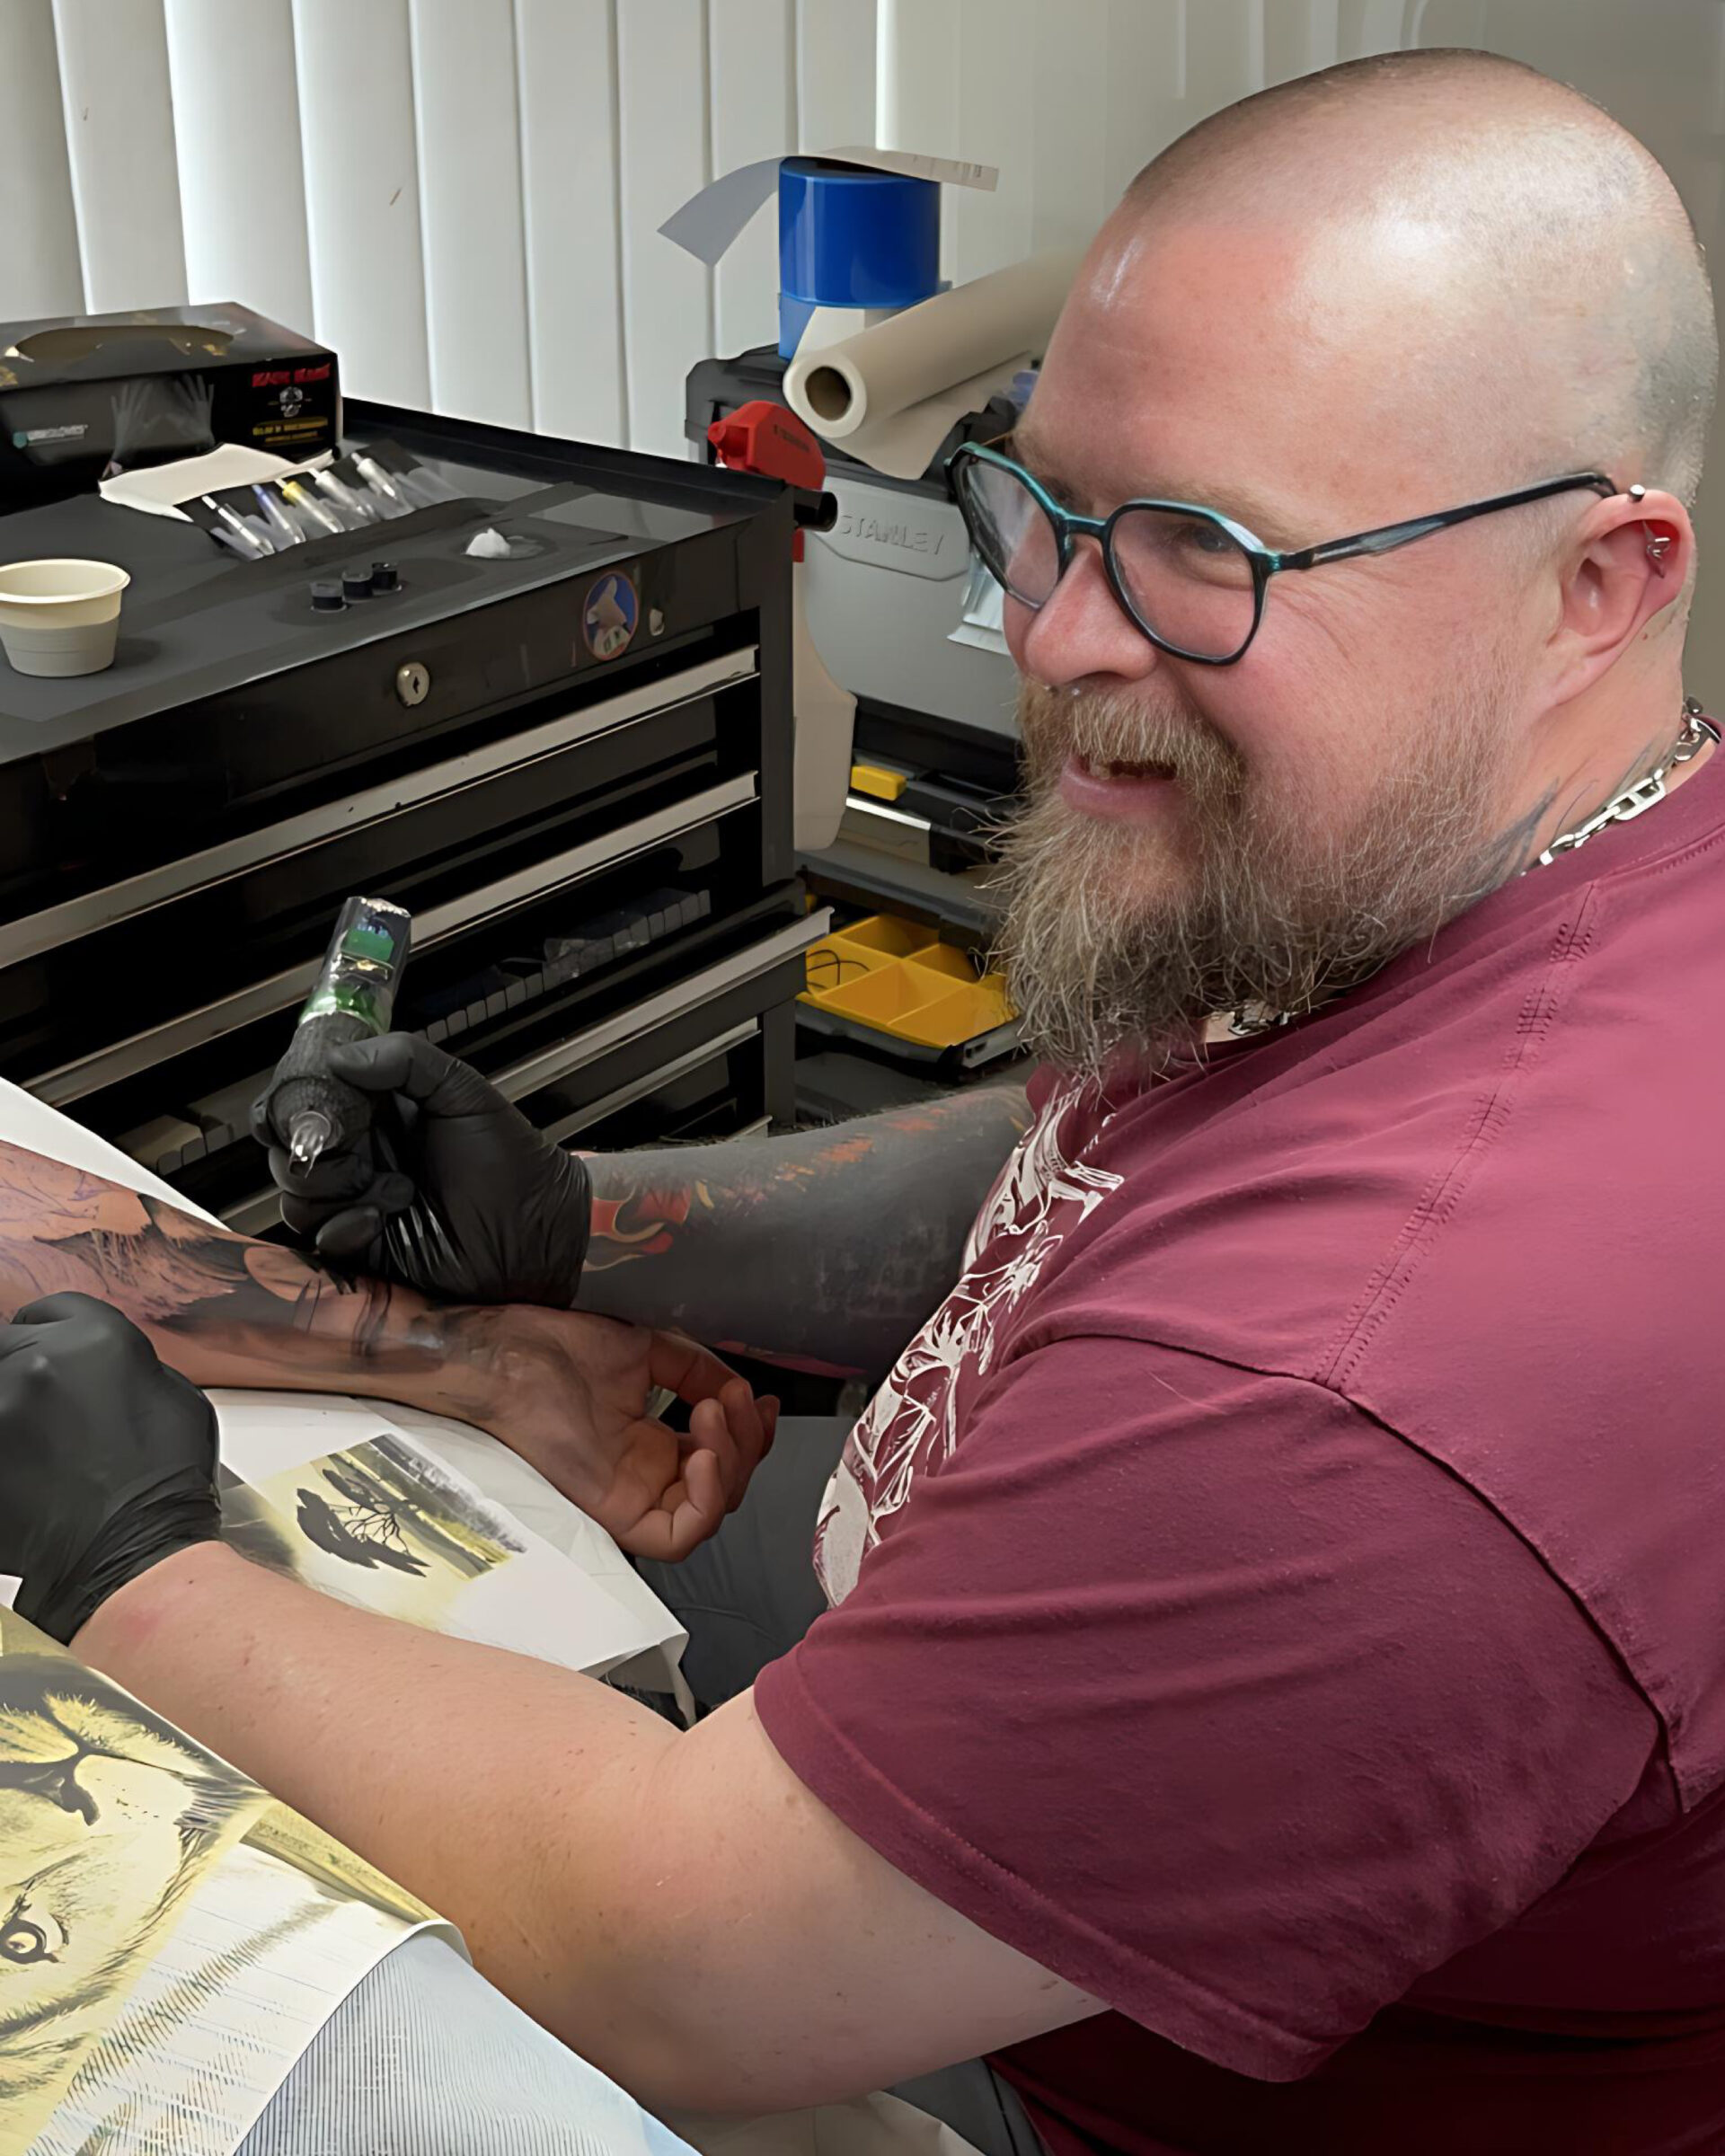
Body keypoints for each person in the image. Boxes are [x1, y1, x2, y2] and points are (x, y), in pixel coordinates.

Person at [4, 44, 1725, 2155]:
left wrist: (136, 1562)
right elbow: (1093, 1151)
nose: (1056, 631)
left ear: (1597, 585)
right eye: (1040, 503)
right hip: (924, 1615)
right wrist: (590, 1222)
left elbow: (680, 1964)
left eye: (1199, 552)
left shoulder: (1369, 1388)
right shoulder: (1511, 859)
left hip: (1042, 2078)